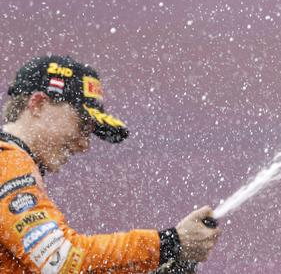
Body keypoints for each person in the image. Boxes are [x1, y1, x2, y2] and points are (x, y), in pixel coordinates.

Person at [0, 55, 220, 273]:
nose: (85, 144)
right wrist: (169, 244)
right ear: (38, 105)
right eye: (82, 125)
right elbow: (62, 261)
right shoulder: (8, 163)